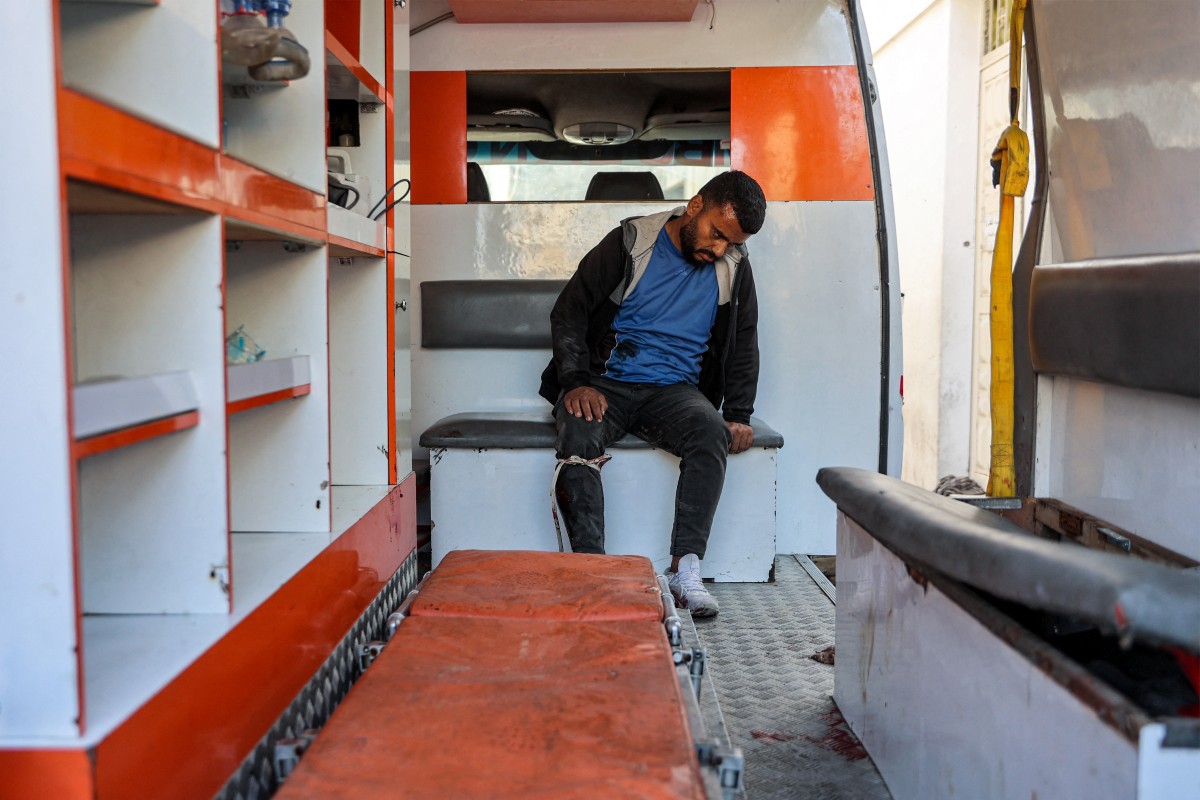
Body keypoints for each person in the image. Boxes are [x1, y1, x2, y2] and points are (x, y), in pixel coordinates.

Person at [538, 170, 767, 618]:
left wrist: (739, 413)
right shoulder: (631, 241)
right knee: (579, 433)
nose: (719, 249)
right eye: (717, 235)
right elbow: (570, 312)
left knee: (709, 433)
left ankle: (685, 570)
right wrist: (576, 381)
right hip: (604, 383)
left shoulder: (734, 266)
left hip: (674, 392)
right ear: (696, 206)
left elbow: (744, 338)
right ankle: (591, 571)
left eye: (731, 243)